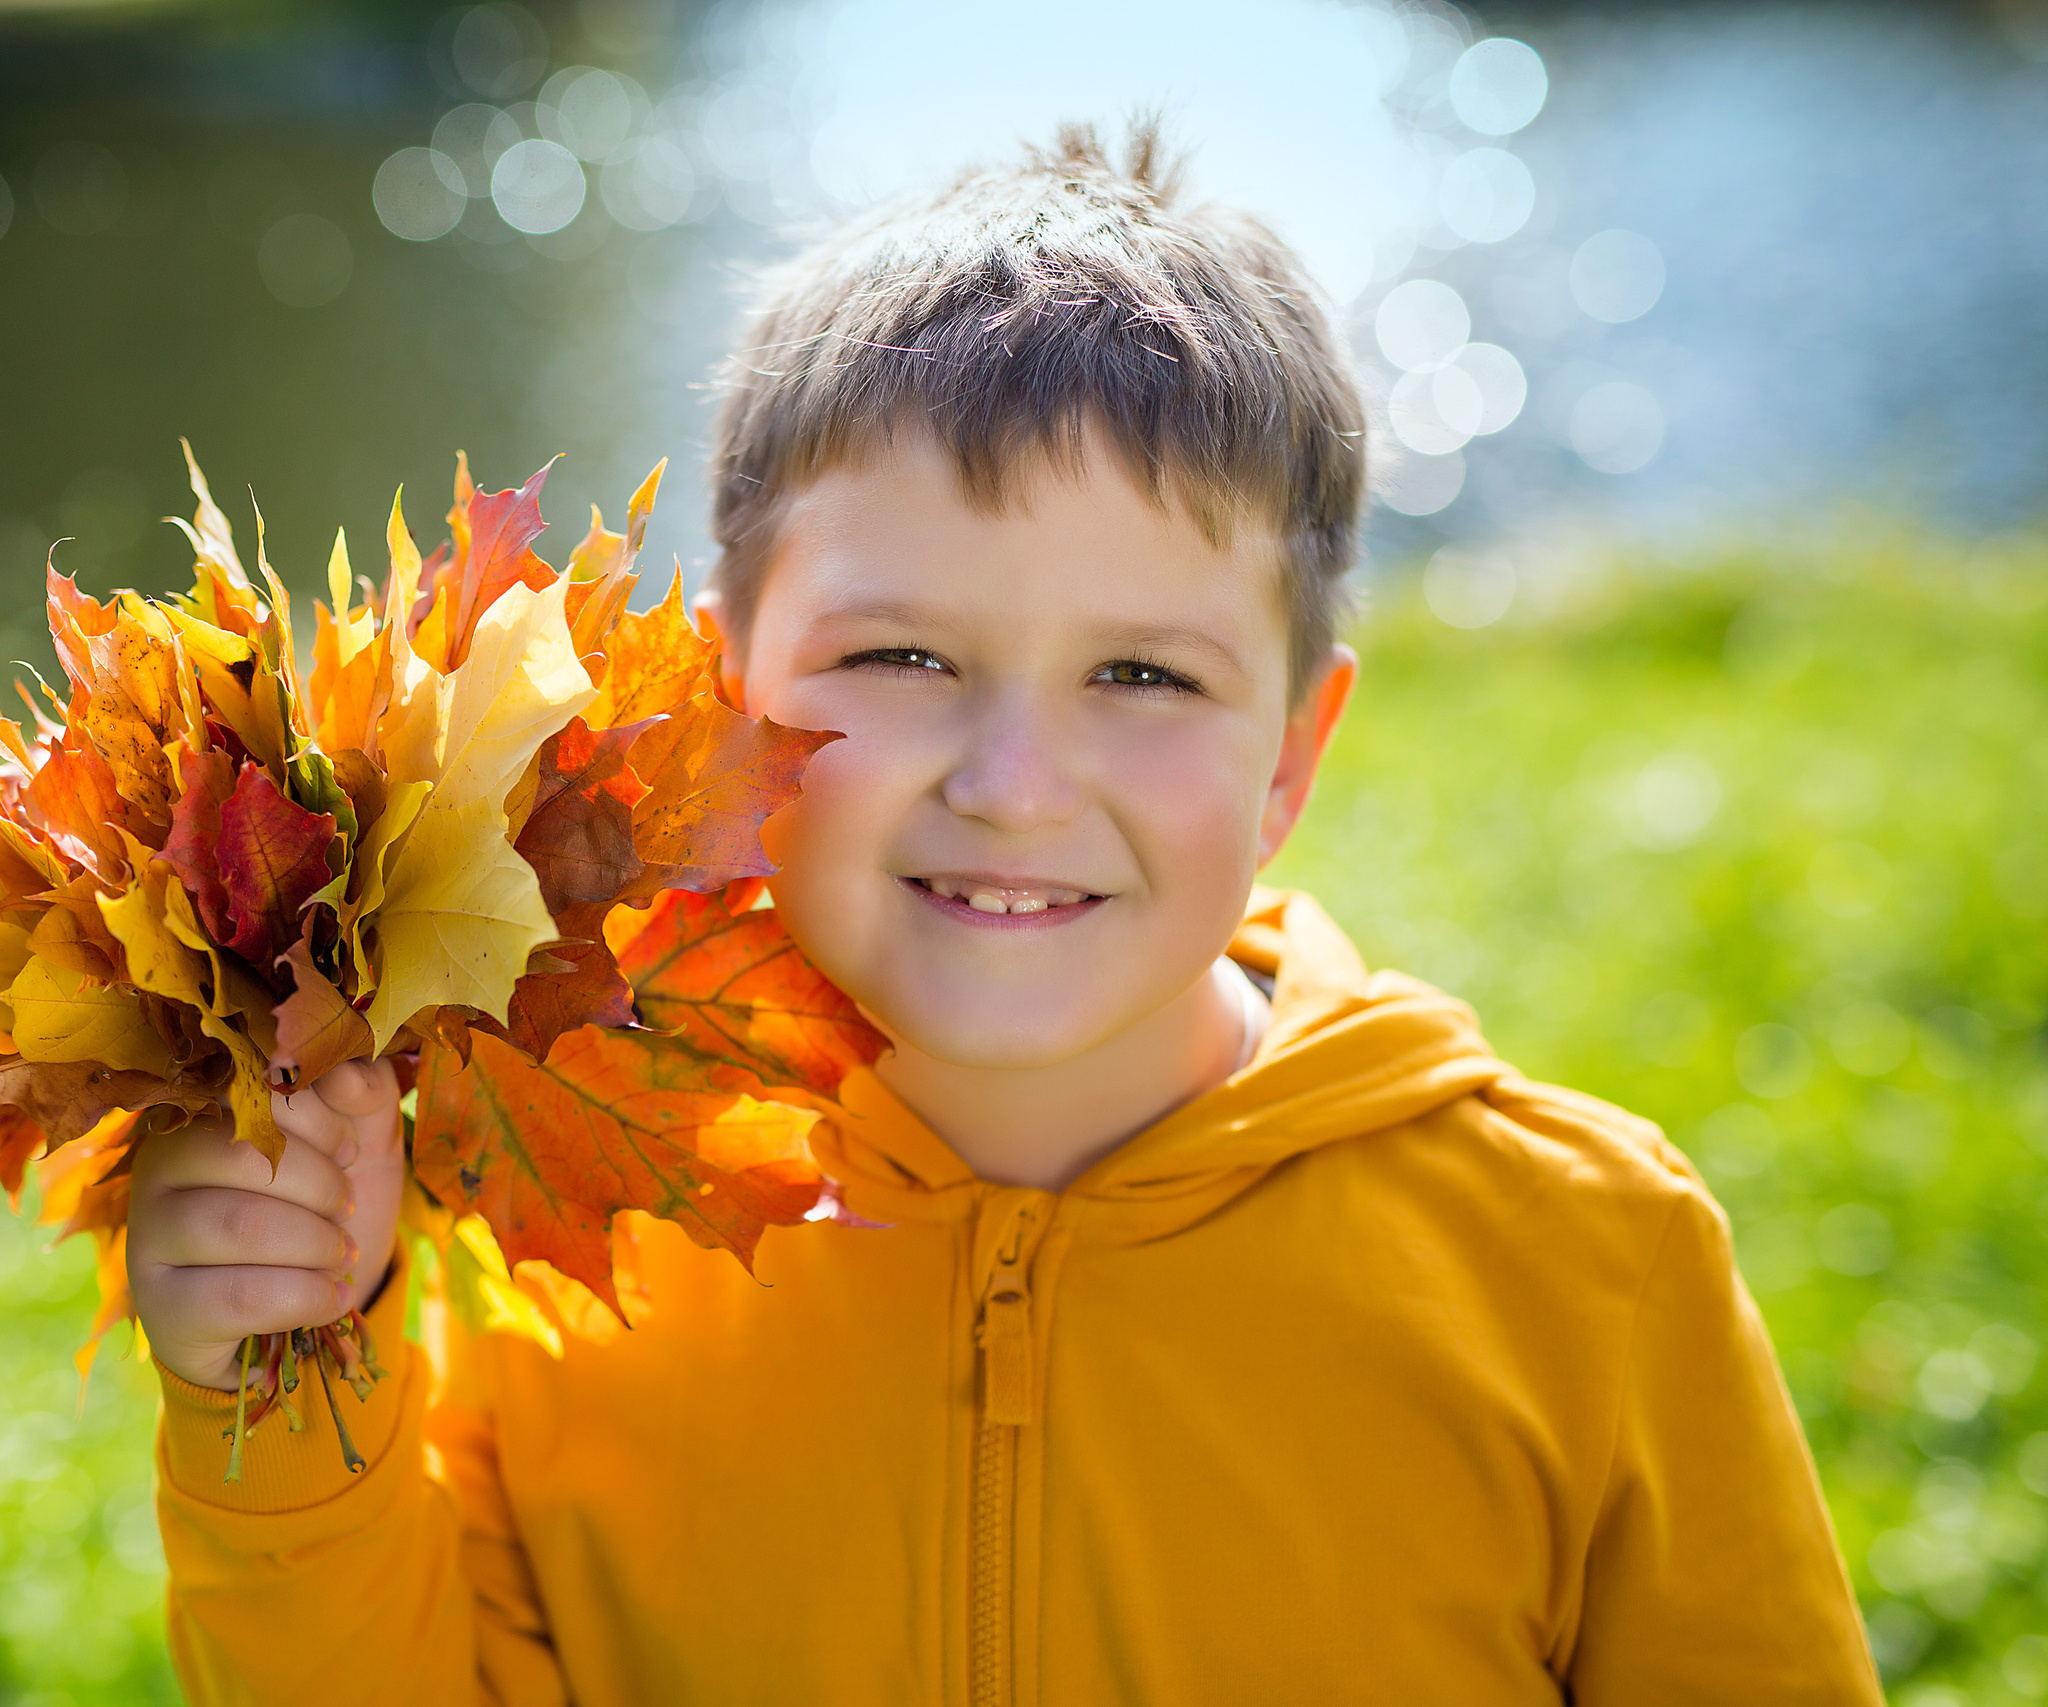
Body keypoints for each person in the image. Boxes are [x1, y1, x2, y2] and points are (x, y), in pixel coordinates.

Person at [123, 125, 1882, 1704]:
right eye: (902, 658)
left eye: (1142, 672)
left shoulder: (1584, 1264)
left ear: (1292, 755)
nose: (1016, 781)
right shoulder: (576, 1222)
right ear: (721, 703)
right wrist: (288, 1384)